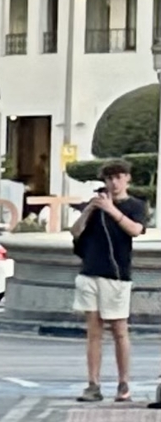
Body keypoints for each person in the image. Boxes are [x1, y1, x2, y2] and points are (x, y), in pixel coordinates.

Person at [69, 162, 146, 402]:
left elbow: (135, 229)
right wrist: (90, 209)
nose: (114, 182)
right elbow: (75, 231)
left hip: (116, 274)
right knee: (94, 331)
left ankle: (123, 383)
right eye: (109, 178)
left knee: (119, 330)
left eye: (119, 177)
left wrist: (112, 209)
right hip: (90, 270)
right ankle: (93, 384)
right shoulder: (95, 207)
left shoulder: (135, 205)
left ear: (127, 179)